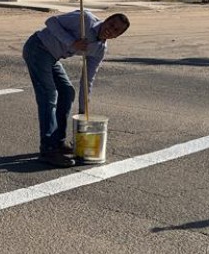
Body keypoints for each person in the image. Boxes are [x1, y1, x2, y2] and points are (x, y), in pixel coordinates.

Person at [22, 10, 130, 167]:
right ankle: (48, 149)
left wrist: (82, 110)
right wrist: (71, 42)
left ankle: (58, 142)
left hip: (53, 57)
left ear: (117, 36)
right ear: (106, 20)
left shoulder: (99, 49)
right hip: (38, 47)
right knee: (48, 95)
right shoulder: (85, 19)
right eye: (111, 24)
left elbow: (87, 79)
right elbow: (51, 22)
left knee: (67, 92)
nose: (111, 30)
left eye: (116, 31)